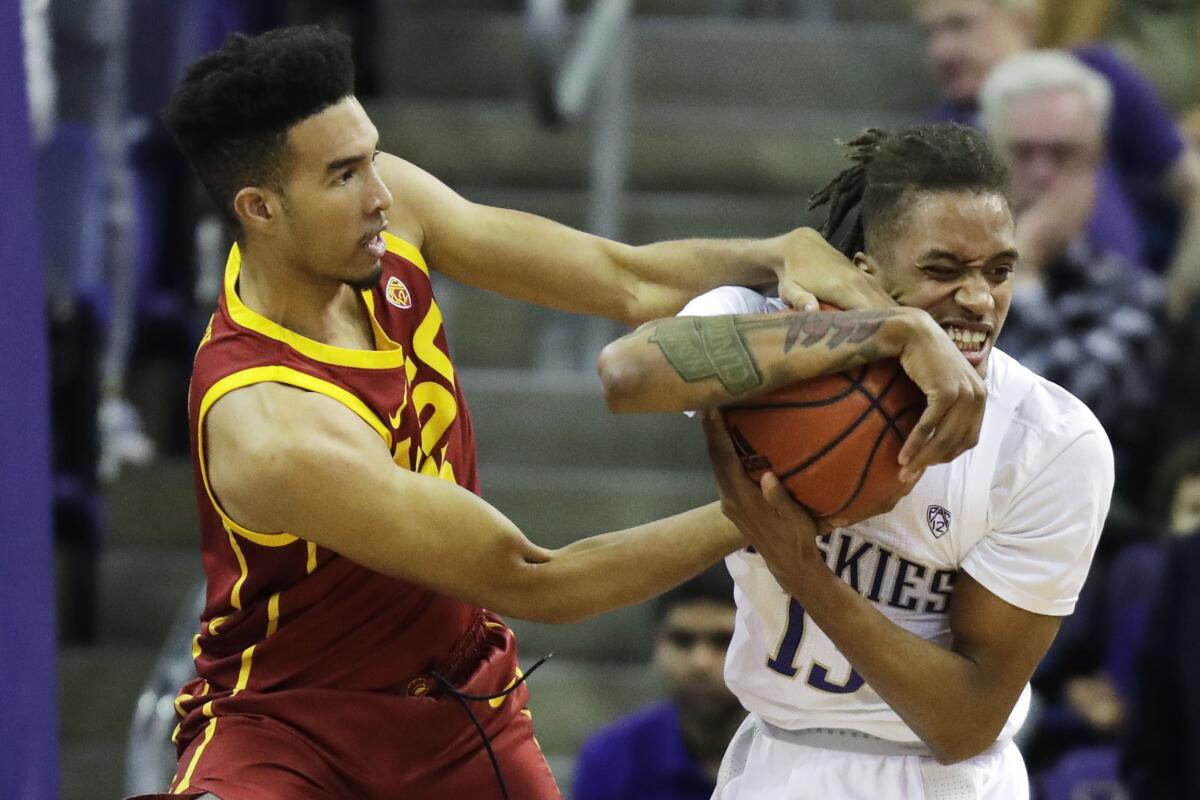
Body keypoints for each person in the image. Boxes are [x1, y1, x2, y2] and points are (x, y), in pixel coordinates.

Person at [138, 25, 988, 800]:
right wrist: (781, 507)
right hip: (292, 726)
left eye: (372, 156)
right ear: (260, 209)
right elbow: (538, 579)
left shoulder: (385, 218)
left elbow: (624, 279)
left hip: (458, 699)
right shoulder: (272, 425)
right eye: (343, 175)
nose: (381, 193)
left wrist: (772, 257)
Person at [597, 123, 1114, 798]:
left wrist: (804, 571)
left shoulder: (1051, 442)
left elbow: (963, 723)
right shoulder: (772, 329)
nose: (980, 299)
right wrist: (880, 330)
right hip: (778, 756)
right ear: (865, 269)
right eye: (943, 270)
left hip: (941, 777)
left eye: (999, 270)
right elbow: (627, 376)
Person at [913, 0, 1200, 317]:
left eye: (960, 25)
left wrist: (1174, 307)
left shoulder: (1093, 77)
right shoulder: (937, 139)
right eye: (930, 34)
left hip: (1124, 314)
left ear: (1021, 23)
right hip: (1009, 325)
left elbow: (1195, 188)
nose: (941, 51)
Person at [978, 50, 1164, 488]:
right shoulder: (936, 278)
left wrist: (1017, 272)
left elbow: (1053, 422)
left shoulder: (1134, 295)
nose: (1042, 175)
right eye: (1022, 153)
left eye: (1063, 155)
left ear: (1097, 162)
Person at [572, 566, 744, 800]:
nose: (700, 662)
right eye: (682, 640)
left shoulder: (797, 753)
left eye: (724, 641)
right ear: (657, 645)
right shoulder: (612, 758)